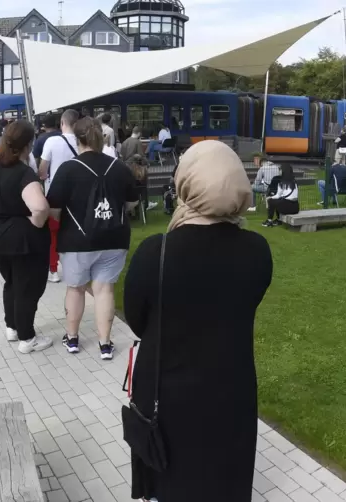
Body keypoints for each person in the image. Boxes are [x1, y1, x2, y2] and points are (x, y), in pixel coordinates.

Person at [123, 139, 273, 502]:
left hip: (166, 393)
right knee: (223, 481)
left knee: (170, 483)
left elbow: (136, 319)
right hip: (230, 391)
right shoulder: (256, 251)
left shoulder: (156, 251)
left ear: (186, 181)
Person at [47, 116, 139, 360]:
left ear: (78, 140)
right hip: (114, 239)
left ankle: (73, 338)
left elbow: (54, 210)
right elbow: (132, 202)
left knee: (75, 289)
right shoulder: (119, 167)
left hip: (77, 241)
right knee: (104, 290)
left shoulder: (68, 169)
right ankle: (105, 344)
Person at [0, 120, 53, 353]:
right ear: (28, 145)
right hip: (23, 242)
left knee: (11, 283)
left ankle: (12, 327)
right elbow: (40, 208)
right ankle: (27, 338)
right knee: (27, 288)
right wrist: (35, 221)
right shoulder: (24, 174)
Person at [39, 109, 80, 283]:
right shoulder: (82, 141)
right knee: (75, 231)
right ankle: (76, 269)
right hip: (78, 195)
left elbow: (42, 171)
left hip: (54, 195)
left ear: (62, 123)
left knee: (53, 235)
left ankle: (54, 270)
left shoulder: (52, 141)